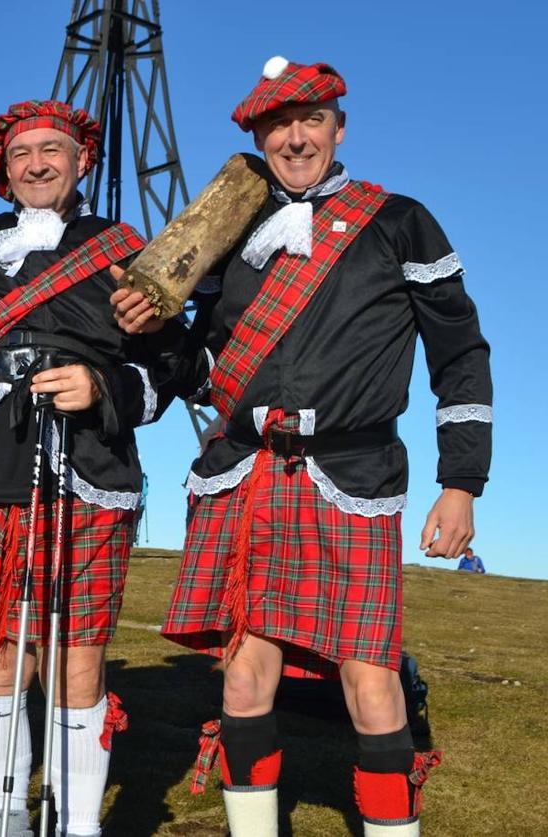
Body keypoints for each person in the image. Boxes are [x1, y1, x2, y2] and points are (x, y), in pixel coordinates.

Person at [113, 57, 492, 836]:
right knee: (245, 676)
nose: (295, 137)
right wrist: (156, 333)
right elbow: (201, 369)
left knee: (373, 680)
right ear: (258, 135)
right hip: (245, 470)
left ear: (338, 128)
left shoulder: (398, 220)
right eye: (278, 124)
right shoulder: (229, 232)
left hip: (351, 471)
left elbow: (461, 355)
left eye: (311, 119)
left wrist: (463, 482)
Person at [0, 100, 182, 837]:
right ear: (1, 171)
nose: (36, 164)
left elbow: (180, 366)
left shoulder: (125, 249)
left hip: (89, 468)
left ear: (82, 162)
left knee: (78, 653)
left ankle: (77, 825)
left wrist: (103, 387)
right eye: (21, 154)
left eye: (52, 151)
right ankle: (5, 818)